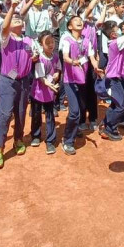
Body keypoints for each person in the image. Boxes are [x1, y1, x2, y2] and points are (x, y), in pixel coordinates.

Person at [0, 0, 35, 170]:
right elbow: (4, 26)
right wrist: (12, 8)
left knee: (21, 112)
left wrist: (35, 57)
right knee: (6, 114)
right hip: (7, 81)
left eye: (19, 18)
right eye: (14, 18)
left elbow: (33, 57)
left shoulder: (29, 41)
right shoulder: (5, 38)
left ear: (24, 25)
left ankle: (18, 139)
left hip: (24, 81)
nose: (17, 20)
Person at [59, 14, 95, 155]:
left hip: (82, 79)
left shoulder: (86, 41)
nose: (79, 21)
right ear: (69, 26)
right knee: (74, 111)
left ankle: (74, 128)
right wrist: (73, 61)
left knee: (80, 109)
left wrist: (96, 67)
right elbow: (65, 56)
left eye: (80, 20)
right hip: (70, 80)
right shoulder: (67, 40)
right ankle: (67, 141)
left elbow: (92, 57)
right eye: (75, 21)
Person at [29, 31, 61, 154]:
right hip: (38, 91)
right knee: (36, 114)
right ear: (41, 44)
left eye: (52, 42)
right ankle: (36, 136)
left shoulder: (56, 56)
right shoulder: (39, 59)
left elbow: (58, 68)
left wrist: (57, 73)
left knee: (50, 115)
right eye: (47, 42)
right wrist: (50, 85)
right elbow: (41, 78)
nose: (50, 44)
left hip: (50, 92)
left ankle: (50, 141)